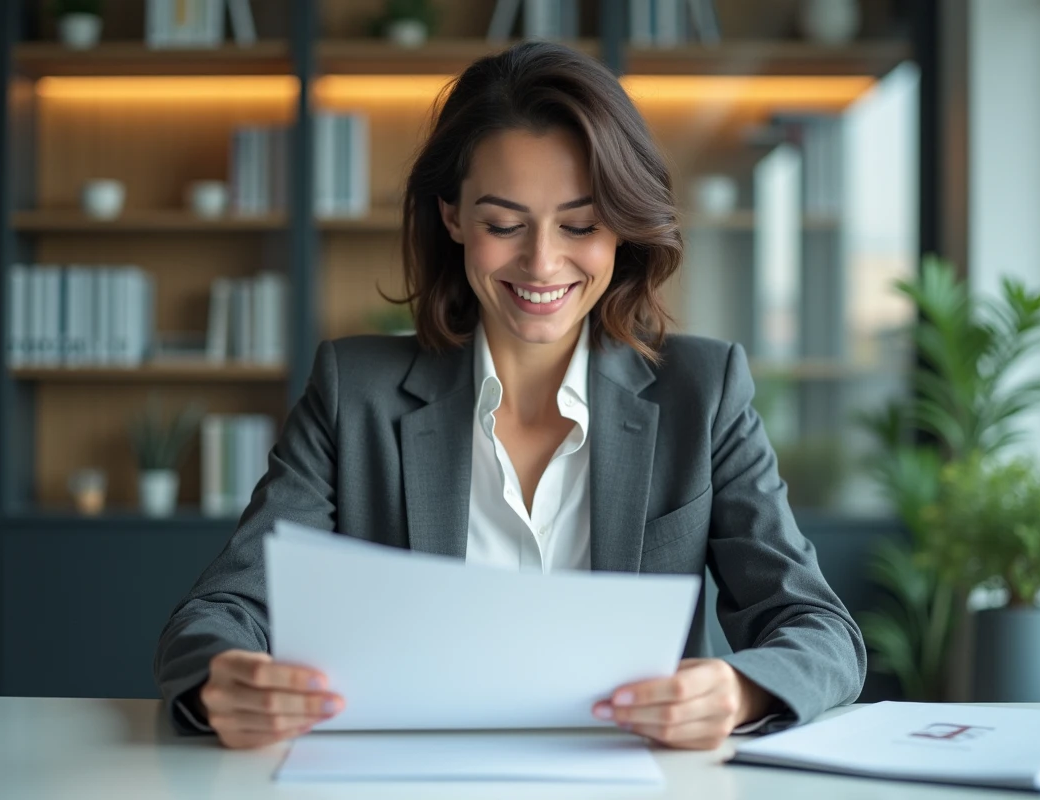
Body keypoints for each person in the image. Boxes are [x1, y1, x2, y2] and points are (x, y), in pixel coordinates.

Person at [154, 40, 865, 752]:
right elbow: (219, 611)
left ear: (622, 226)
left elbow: (820, 631)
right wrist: (227, 678)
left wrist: (738, 692)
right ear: (453, 218)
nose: (543, 262)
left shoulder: (702, 394)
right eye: (503, 224)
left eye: (581, 225)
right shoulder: (354, 392)